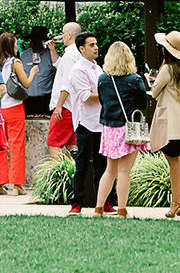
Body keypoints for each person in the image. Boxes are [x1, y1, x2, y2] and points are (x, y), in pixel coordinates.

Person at [94, 42, 149, 219]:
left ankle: (98, 208)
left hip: (109, 128)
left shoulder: (103, 79)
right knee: (124, 171)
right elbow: (143, 104)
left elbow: (102, 100)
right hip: (128, 129)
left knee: (110, 170)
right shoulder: (135, 80)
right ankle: (122, 210)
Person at [149, 31, 180, 218]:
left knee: (173, 162)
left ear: (166, 50)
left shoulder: (167, 69)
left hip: (171, 128)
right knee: (178, 160)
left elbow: (154, 93)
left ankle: (176, 202)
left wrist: (153, 82)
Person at [65, 31, 116, 215]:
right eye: (91, 45)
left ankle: (104, 202)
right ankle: (76, 203)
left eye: (96, 44)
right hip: (85, 123)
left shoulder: (98, 68)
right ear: (81, 48)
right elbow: (86, 97)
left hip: (101, 123)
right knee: (82, 164)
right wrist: (108, 96)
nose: (96, 48)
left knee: (103, 165)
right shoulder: (78, 70)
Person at [0, 32, 38, 196]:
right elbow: (25, 83)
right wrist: (33, 71)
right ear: (10, 46)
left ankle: (0, 182)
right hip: (15, 108)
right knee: (16, 145)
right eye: (15, 44)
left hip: (0, 109)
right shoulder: (15, 62)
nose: (17, 47)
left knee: (0, 147)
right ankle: (17, 184)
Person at [48, 22, 82, 159]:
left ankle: (58, 174)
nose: (61, 36)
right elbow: (59, 65)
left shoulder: (70, 55)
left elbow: (67, 83)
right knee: (71, 145)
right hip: (75, 106)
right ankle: (73, 175)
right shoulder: (78, 52)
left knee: (53, 143)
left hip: (66, 106)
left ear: (69, 35)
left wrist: (59, 105)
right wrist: (52, 49)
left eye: (63, 33)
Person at [21, 26, 59, 116]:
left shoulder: (50, 55)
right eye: (34, 40)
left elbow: (59, 72)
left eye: (39, 40)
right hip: (28, 99)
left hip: (46, 99)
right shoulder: (24, 55)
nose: (37, 42)